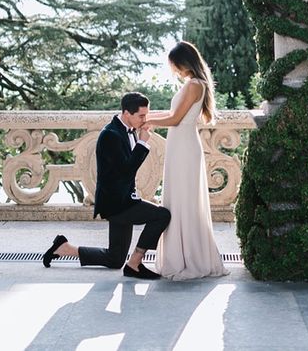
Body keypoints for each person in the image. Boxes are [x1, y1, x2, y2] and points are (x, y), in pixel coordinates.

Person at [42, 91, 170, 279]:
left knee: (115, 259)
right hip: (117, 203)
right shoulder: (111, 135)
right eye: (141, 116)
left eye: (146, 115)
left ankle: (64, 248)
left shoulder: (126, 129)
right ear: (127, 113)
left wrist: (140, 138)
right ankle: (135, 263)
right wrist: (142, 142)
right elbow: (126, 171)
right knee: (161, 215)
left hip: (123, 199)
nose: (145, 120)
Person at [144, 41, 227, 280]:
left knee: (183, 201)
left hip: (184, 146)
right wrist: (146, 117)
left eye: (174, 65)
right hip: (181, 144)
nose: (174, 70)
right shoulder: (196, 84)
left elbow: (175, 118)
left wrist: (146, 121)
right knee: (179, 199)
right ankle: (183, 254)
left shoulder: (194, 85)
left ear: (183, 62)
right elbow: (172, 116)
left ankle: (186, 257)